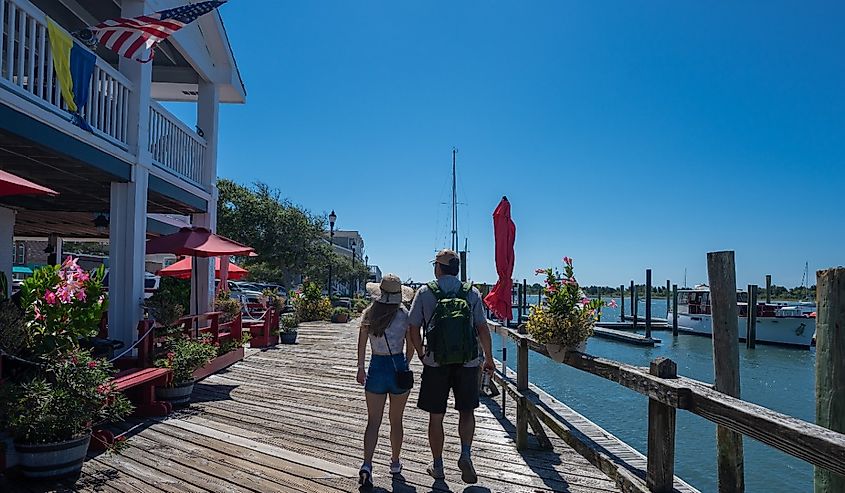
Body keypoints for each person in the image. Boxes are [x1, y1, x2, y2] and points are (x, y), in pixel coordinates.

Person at [408, 249, 495, 484]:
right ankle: (465, 454)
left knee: (436, 416)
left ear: (438, 267)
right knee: (467, 411)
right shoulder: (472, 293)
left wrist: (420, 353)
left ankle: (437, 466)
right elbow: (482, 328)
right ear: (456, 268)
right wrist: (488, 358)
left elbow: (413, 328)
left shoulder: (425, 292)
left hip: (436, 362)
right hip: (468, 362)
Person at [355, 274, 416, 488]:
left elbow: (362, 344)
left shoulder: (369, 314)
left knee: (373, 421)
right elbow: (412, 346)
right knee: (396, 420)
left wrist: (361, 368)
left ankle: (367, 465)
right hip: (397, 366)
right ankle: (395, 463)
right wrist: (405, 363)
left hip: (376, 367)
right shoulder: (404, 314)